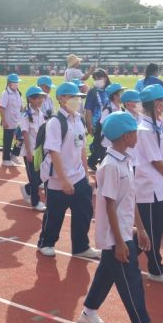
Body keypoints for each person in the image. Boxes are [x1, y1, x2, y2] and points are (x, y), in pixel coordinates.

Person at [77, 112, 163, 323]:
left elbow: (130, 198)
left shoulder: (124, 160)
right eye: (134, 131)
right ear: (125, 136)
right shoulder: (111, 166)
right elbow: (109, 204)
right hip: (116, 236)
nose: (138, 134)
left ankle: (89, 312)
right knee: (131, 280)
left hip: (124, 231)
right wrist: (121, 242)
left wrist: (140, 229)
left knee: (106, 274)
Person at [37, 82, 99, 258]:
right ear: (61, 98)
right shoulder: (55, 123)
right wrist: (63, 179)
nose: (77, 100)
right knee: (54, 215)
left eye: (78, 97)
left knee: (83, 213)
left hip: (78, 176)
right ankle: (46, 242)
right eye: (73, 97)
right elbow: (54, 152)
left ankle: (81, 246)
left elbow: (82, 149)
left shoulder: (78, 119)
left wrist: (86, 175)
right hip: (59, 179)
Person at [134, 85, 163, 284]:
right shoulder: (144, 130)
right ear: (155, 103)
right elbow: (155, 160)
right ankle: (156, 267)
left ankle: (124, 252)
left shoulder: (157, 125)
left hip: (160, 185)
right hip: (149, 186)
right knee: (152, 228)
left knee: (160, 225)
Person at [19, 86, 46, 211]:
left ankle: (27, 189)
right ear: (30, 99)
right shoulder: (26, 114)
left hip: (40, 150)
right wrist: (29, 152)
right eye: (37, 98)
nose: (40, 100)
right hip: (30, 151)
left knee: (40, 176)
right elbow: (25, 133)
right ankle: (35, 202)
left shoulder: (41, 113)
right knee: (34, 178)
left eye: (41, 97)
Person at [0, 73, 23, 167]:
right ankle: (5, 159)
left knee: (20, 139)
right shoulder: (5, 94)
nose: (17, 84)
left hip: (18, 121)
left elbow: (21, 107)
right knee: (7, 141)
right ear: (9, 83)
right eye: (15, 82)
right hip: (9, 121)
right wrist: (4, 120)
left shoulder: (18, 93)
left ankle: (14, 154)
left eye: (17, 82)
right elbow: (2, 108)